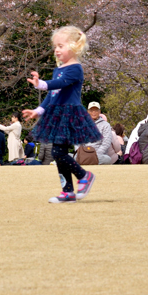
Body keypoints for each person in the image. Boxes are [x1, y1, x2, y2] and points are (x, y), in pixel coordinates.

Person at [23, 26, 101, 203]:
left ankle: (84, 176)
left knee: (58, 152)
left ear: (74, 47)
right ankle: (68, 192)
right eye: (55, 46)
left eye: (61, 46)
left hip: (69, 115)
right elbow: (53, 95)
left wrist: (41, 84)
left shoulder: (75, 68)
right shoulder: (58, 69)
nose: (57, 50)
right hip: (57, 114)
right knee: (58, 153)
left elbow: (59, 83)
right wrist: (39, 111)